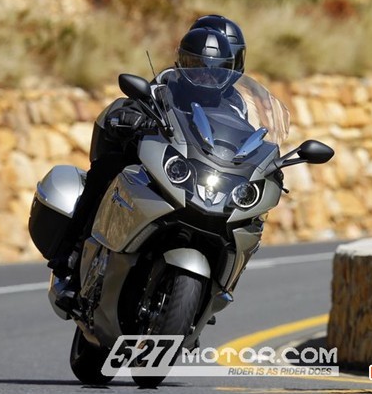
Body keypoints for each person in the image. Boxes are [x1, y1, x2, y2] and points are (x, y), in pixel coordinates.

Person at [49, 25, 240, 309]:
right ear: (181, 61)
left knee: (246, 219)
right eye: (195, 66)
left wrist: (265, 162)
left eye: (214, 71)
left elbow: (247, 139)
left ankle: (216, 289)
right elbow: (136, 102)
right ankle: (70, 256)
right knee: (107, 170)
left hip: (203, 177)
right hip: (161, 164)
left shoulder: (235, 105)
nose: (204, 76)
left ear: (228, 71)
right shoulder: (166, 84)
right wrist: (130, 116)